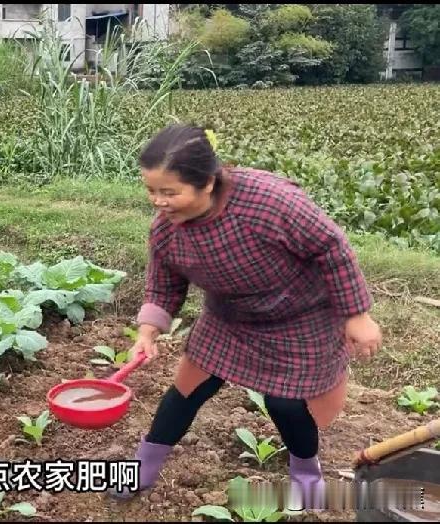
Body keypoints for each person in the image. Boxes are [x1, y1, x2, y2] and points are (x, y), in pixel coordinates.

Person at [109, 124, 383, 509]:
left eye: (169, 192)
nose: (158, 201)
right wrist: (148, 329)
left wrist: (356, 314)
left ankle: (306, 475)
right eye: (151, 191)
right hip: (231, 318)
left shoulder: (267, 202)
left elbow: (330, 247)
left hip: (301, 316)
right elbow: (164, 282)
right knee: (188, 388)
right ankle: (142, 466)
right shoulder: (167, 232)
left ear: (206, 182)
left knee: (287, 403)